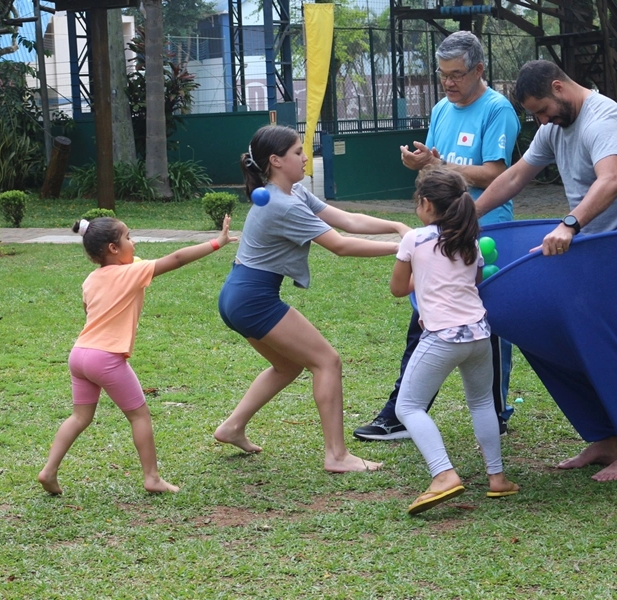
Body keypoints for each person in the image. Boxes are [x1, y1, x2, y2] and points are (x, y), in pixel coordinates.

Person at [473, 59, 617, 481]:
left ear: (559, 87)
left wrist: (570, 224)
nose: (542, 120)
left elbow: (611, 180)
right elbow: (515, 177)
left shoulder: (604, 119)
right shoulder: (553, 128)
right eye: (535, 115)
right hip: (593, 244)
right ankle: (605, 438)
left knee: (613, 340)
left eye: (543, 110)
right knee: (547, 329)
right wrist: (467, 216)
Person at [214, 124, 411, 473]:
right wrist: (403, 249)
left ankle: (232, 427)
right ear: (276, 161)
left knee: (288, 365)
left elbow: (347, 220)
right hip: (253, 298)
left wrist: (396, 227)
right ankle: (337, 455)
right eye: (297, 152)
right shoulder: (282, 205)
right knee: (327, 361)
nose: (306, 157)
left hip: (237, 295)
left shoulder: (294, 193)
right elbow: (340, 245)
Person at [354, 30, 520, 442]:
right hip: (438, 236)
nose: (448, 82)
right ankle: (404, 412)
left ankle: (490, 412)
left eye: (456, 74)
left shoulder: (497, 109)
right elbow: (436, 171)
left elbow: (497, 174)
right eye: (443, 74)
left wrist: (442, 165)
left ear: (478, 70)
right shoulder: (442, 108)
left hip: (484, 231)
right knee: (426, 316)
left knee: (488, 322)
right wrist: (422, 164)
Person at [38, 214, 238, 495]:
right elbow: (177, 259)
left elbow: (89, 312)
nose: (133, 242)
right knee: (139, 416)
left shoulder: (91, 279)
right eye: (128, 237)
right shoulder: (132, 273)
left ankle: (48, 471)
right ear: (113, 248)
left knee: (79, 417)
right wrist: (217, 243)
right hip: (106, 358)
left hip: (80, 354)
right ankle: (152, 478)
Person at [392, 168, 519, 515]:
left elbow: (398, 289)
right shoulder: (471, 241)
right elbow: (472, 282)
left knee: (408, 407)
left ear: (426, 203)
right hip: (480, 334)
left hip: (442, 336)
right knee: (481, 403)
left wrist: (421, 274)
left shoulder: (414, 239)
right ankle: (497, 478)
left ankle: (443, 474)